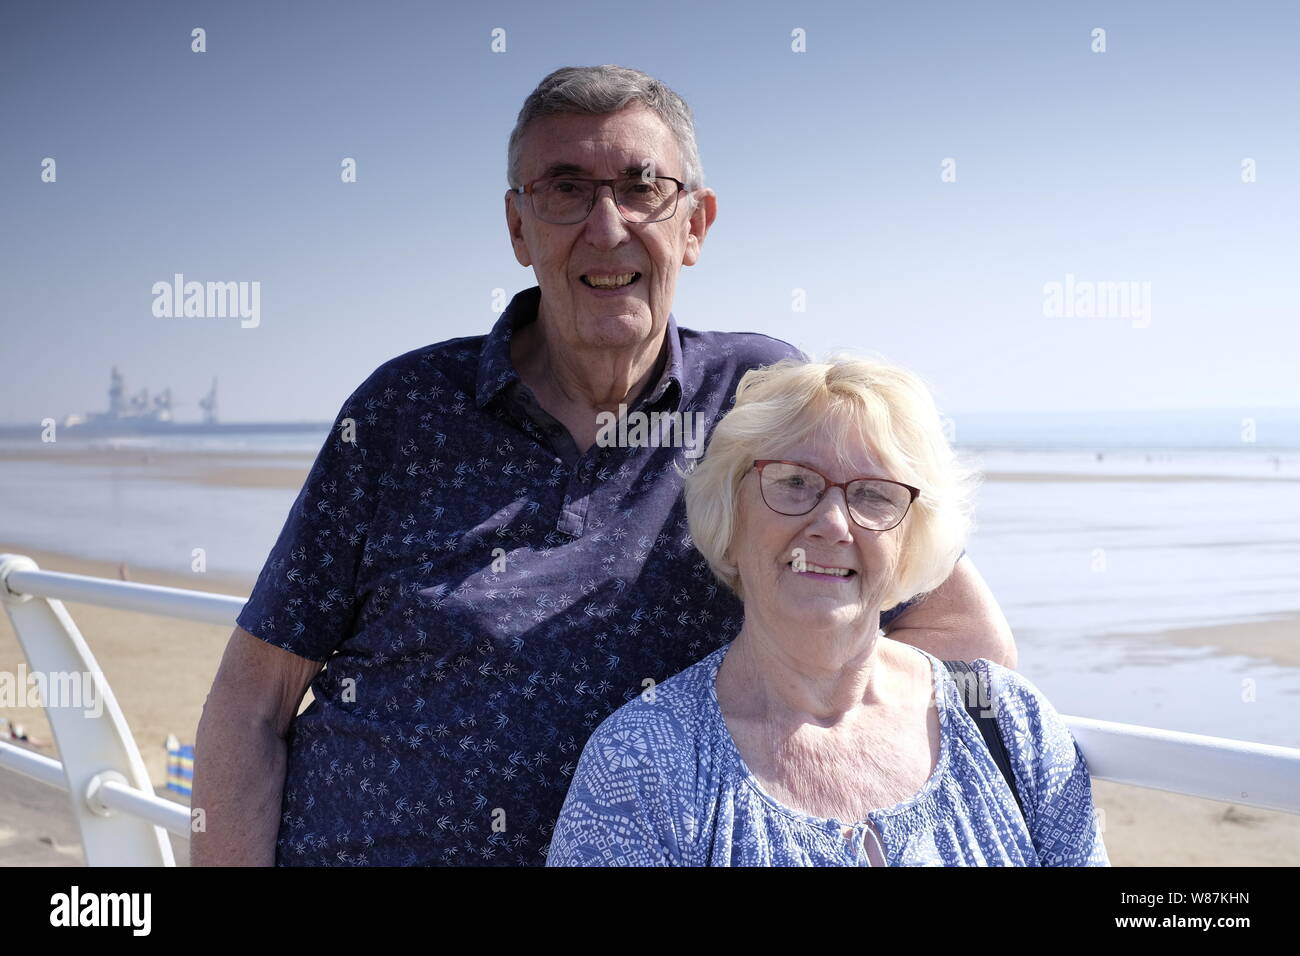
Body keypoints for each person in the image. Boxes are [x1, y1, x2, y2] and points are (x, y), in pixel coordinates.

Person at [191, 65, 1016, 867]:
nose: (607, 226)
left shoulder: (758, 400)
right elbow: (251, 702)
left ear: (695, 224)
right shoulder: (401, 412)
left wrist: (804, 774)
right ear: (518, 227)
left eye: (641, 186)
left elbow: (961, 638)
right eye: (565, 189)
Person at [547, 357, 1107, 866]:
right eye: (794, 483)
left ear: (912, 539)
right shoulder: (639, 765)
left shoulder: (1010, 722)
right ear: (731, 514)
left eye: (874, 494)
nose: (833, 524)